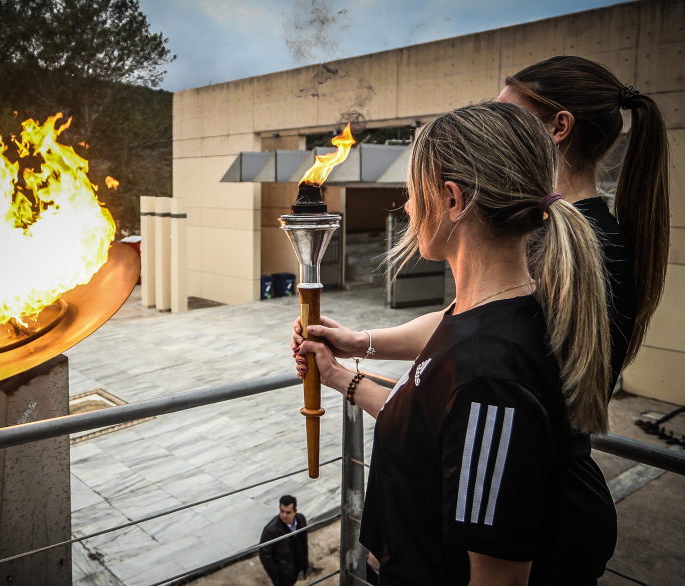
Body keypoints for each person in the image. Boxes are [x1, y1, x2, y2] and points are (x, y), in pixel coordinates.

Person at [293, 55, 670, 584]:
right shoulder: (490, 316)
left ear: (452, 199)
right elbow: (440, 394)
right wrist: (350, 358)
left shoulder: (494, 366)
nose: (404, 206)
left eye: (413, 190)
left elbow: (482, 396)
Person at [259, 495, 309, 586]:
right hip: (284, 575)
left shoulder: (301, 520)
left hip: (297, 566)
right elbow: (264, 556)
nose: (284, 515)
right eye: (282, 511)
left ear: (295, 512)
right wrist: (277, 579)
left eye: (288, 512)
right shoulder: (271, 530)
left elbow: (303, 543)